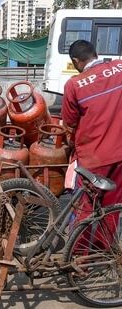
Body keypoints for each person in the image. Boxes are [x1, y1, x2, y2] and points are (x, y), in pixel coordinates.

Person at [61, 40, 122, 239]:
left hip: (93, 158)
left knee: (85, 208)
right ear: (95, 53)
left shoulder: (74, 84)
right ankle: (102, 254)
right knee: (112, 207)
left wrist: (70, 145)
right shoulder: (119, 68)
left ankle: (78, 258)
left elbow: (69, 123)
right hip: (119, 154)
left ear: (76, 61)